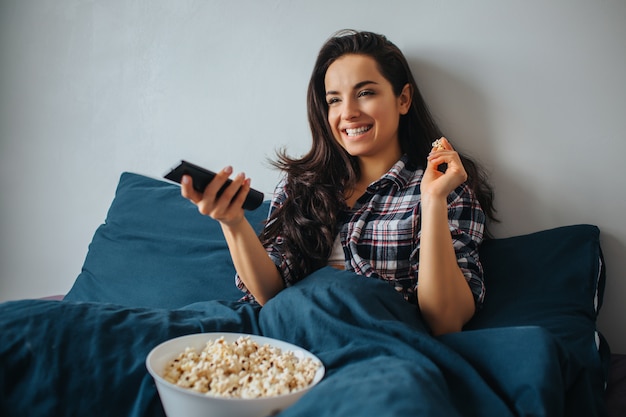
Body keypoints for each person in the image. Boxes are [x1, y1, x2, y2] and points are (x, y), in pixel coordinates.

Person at [181, 29, 497, 336]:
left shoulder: (445, 188)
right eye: (334, 100)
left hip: (372, 343)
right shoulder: (301, 185)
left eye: (365, 93)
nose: (347, 113)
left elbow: (445, 322)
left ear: (403, 99)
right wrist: (233, 221)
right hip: (279, 337)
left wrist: (432, 201)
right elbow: (269, 294)